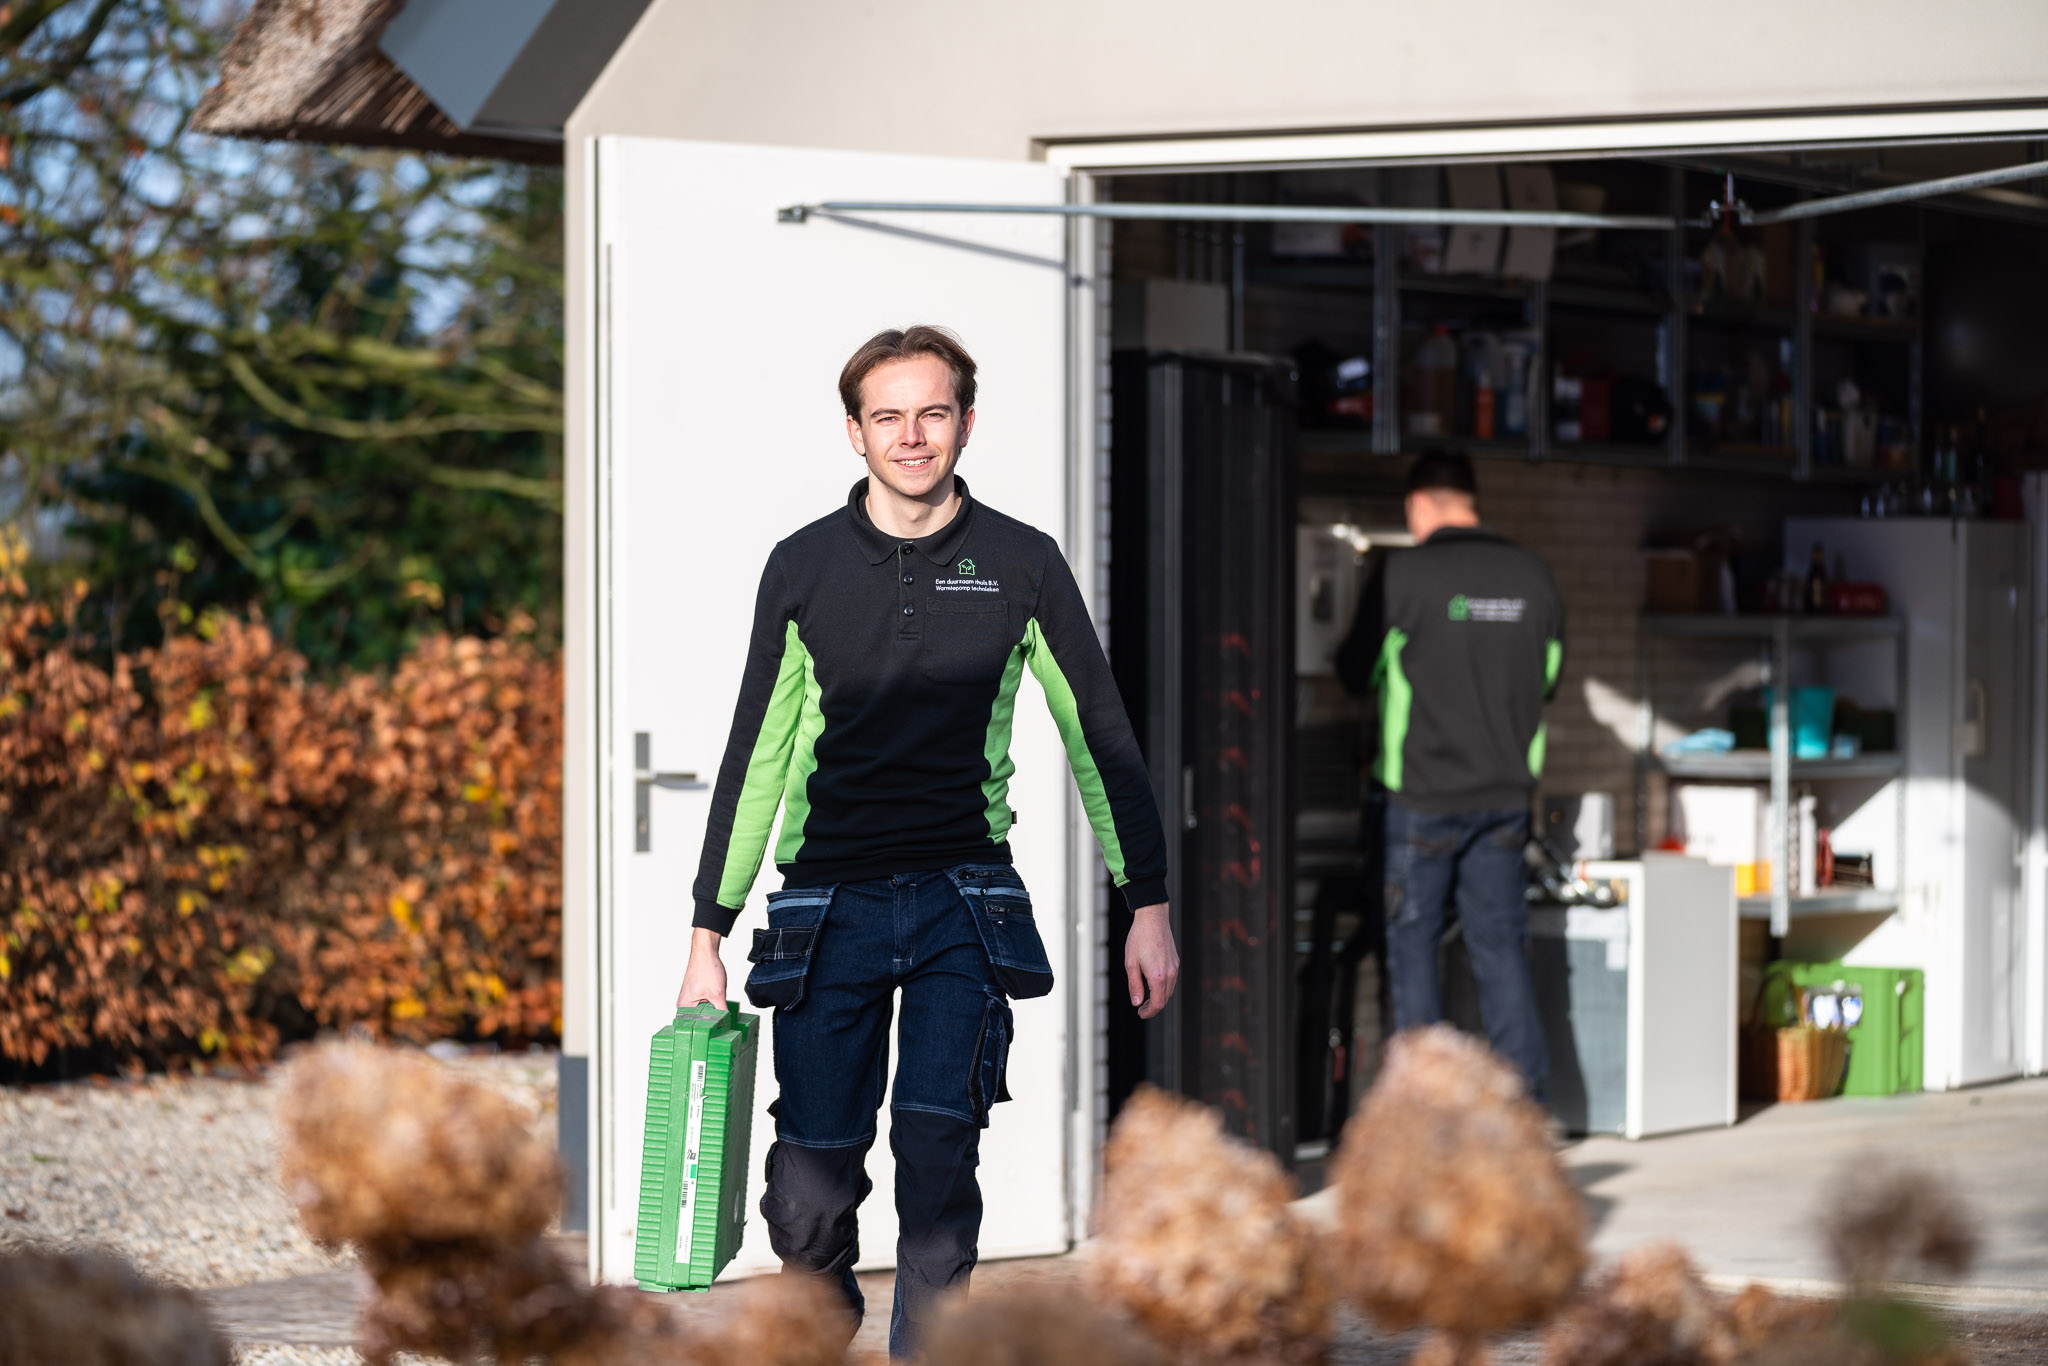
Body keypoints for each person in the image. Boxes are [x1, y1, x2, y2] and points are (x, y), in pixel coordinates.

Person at [677, 325, 1178, 1358]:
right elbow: (755, 753)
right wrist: (706, 930)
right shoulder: (803, 567)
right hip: (826, 907)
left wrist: (1148, 902)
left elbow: (1100, 737)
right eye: (888, 416)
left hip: (965, 900)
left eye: (932, 413)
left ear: (965, 423)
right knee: (809, 1197)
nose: (912, 435)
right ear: (855, 432)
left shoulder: (1021, 564)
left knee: (939, 1165)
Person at [1335, 450, 1563, 1096]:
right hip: (1506, 802)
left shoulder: (1403, 573)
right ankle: (1525, 1110)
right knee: (1499, 952)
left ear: (1419, 505)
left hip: (1421, 801)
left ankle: (1424, 1114)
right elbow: (1548, 678)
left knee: (1413, 954)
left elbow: (1357, 671)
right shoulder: (1535, 575)